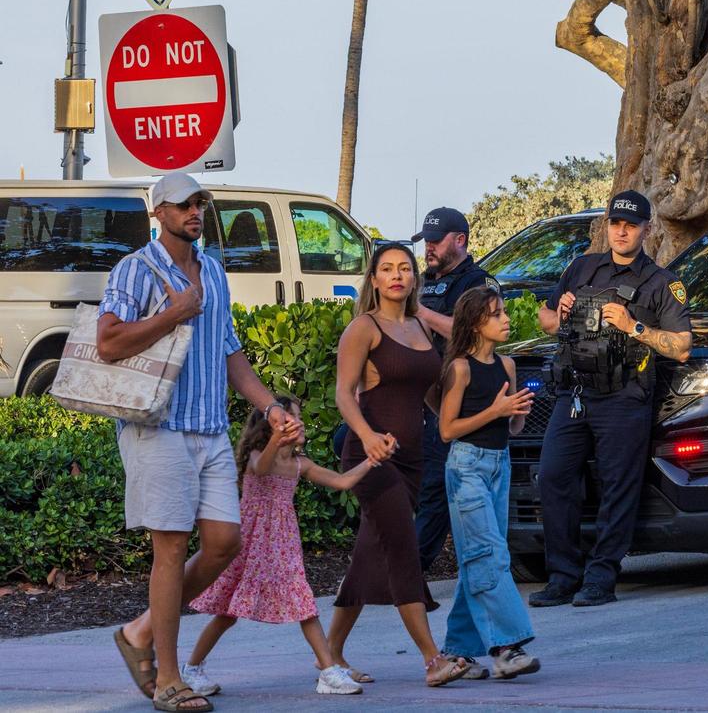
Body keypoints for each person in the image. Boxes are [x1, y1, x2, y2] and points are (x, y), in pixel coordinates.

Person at [99, 172, 301, 712]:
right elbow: (108, 341)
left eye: (201, 203)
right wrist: (174, 314)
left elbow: (231, 352)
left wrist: (272, 408)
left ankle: (141, 630)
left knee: (223, 544)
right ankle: (168, 677)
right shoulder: (135, 270)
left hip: (209, 431)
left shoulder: (213, 270)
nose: (196, 211)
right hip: (157, 428)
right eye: (185, 204)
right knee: (169, 550)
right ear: (158, 212)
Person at [529, 190, 693, 609]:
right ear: (607, 225)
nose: (621, 231)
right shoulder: (582, 267)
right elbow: (544, 319)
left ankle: (601, 577)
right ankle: (564, 575)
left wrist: (633, 327)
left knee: (618, 488)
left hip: (624, 397)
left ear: (646, 230)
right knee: (553, 477)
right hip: (576, 393)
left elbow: (681, 347)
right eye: (615, 223)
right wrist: (559, 312)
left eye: (631, 225)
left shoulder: (661, 283)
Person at [325, 242, 469, 687]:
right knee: (404, 549)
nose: (396, 276)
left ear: (414, 278)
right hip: (371, 457)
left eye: (404, 268)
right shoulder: (363, 329)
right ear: (374, 279)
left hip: (411, 460)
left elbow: (427, 395)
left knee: (369, 556)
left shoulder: (419, 328)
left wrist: (463, 421)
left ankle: (328, 654)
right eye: (386, 269)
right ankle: (432, 659)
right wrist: (366, 437)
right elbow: (344, 394)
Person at [183, 396, 379, 697]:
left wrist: (373, 458)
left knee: (304, 603)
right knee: (227, 613)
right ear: (273, 424)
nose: (299, 422)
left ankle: (328, 672)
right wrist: (278, 435)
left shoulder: (301, 464)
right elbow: (261, 469)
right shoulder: (258, 455)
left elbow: (342, 482)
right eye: (293, 417)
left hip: (282, 543)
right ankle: (192, 669)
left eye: (298, 417)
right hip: (248, 544)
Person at [437, 287, 541, 679]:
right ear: (476, 324)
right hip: (466, 469)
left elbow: (511, 426)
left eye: (504, 313)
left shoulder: (508, 365)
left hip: (500, 464)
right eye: (496, 314)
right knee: (489, 555)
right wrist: (495, 409)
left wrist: (516, 413)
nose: (506, 319)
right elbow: (448, 430)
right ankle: (506, 648)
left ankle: (458, 652)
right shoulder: (460, 368)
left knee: (477, 558)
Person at [411, 207, 500, 579]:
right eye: (426, 240)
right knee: (347, 442)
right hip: (413, 392)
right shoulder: (421, 280)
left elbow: (473, 331)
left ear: (460, 240)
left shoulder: (479, 283)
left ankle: (411, 569)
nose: (429, 248)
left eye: (436, 241)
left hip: (452, 394)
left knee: (434, 484)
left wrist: (418, 312)